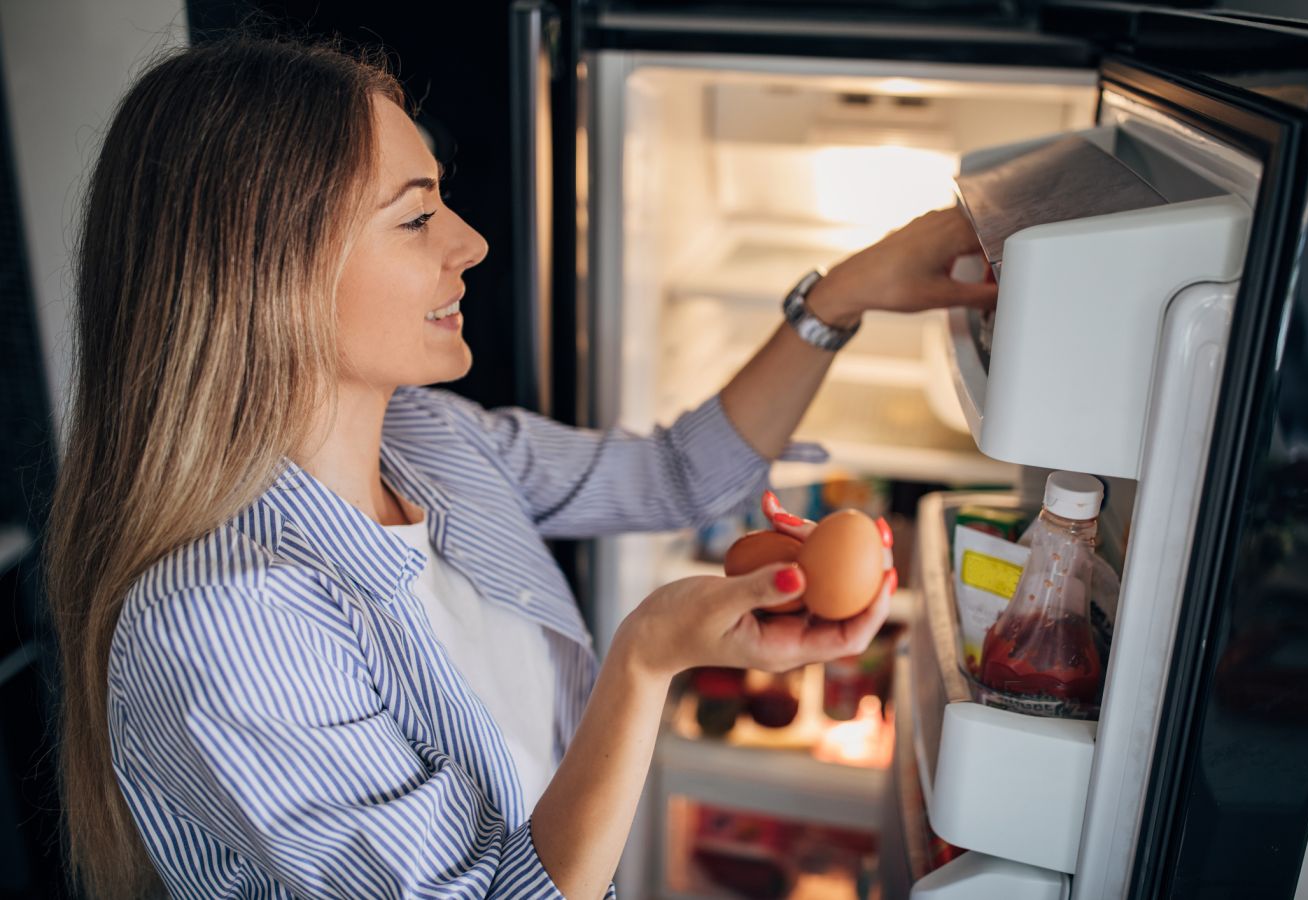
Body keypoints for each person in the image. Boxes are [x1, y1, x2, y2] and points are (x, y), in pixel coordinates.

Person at [45, 36, 996, 900]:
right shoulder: (224, 622)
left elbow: (675, 477)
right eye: (416, 221)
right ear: (270, 272)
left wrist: (845, 294)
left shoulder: (429, 441)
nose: (470, 242)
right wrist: (646, 658)